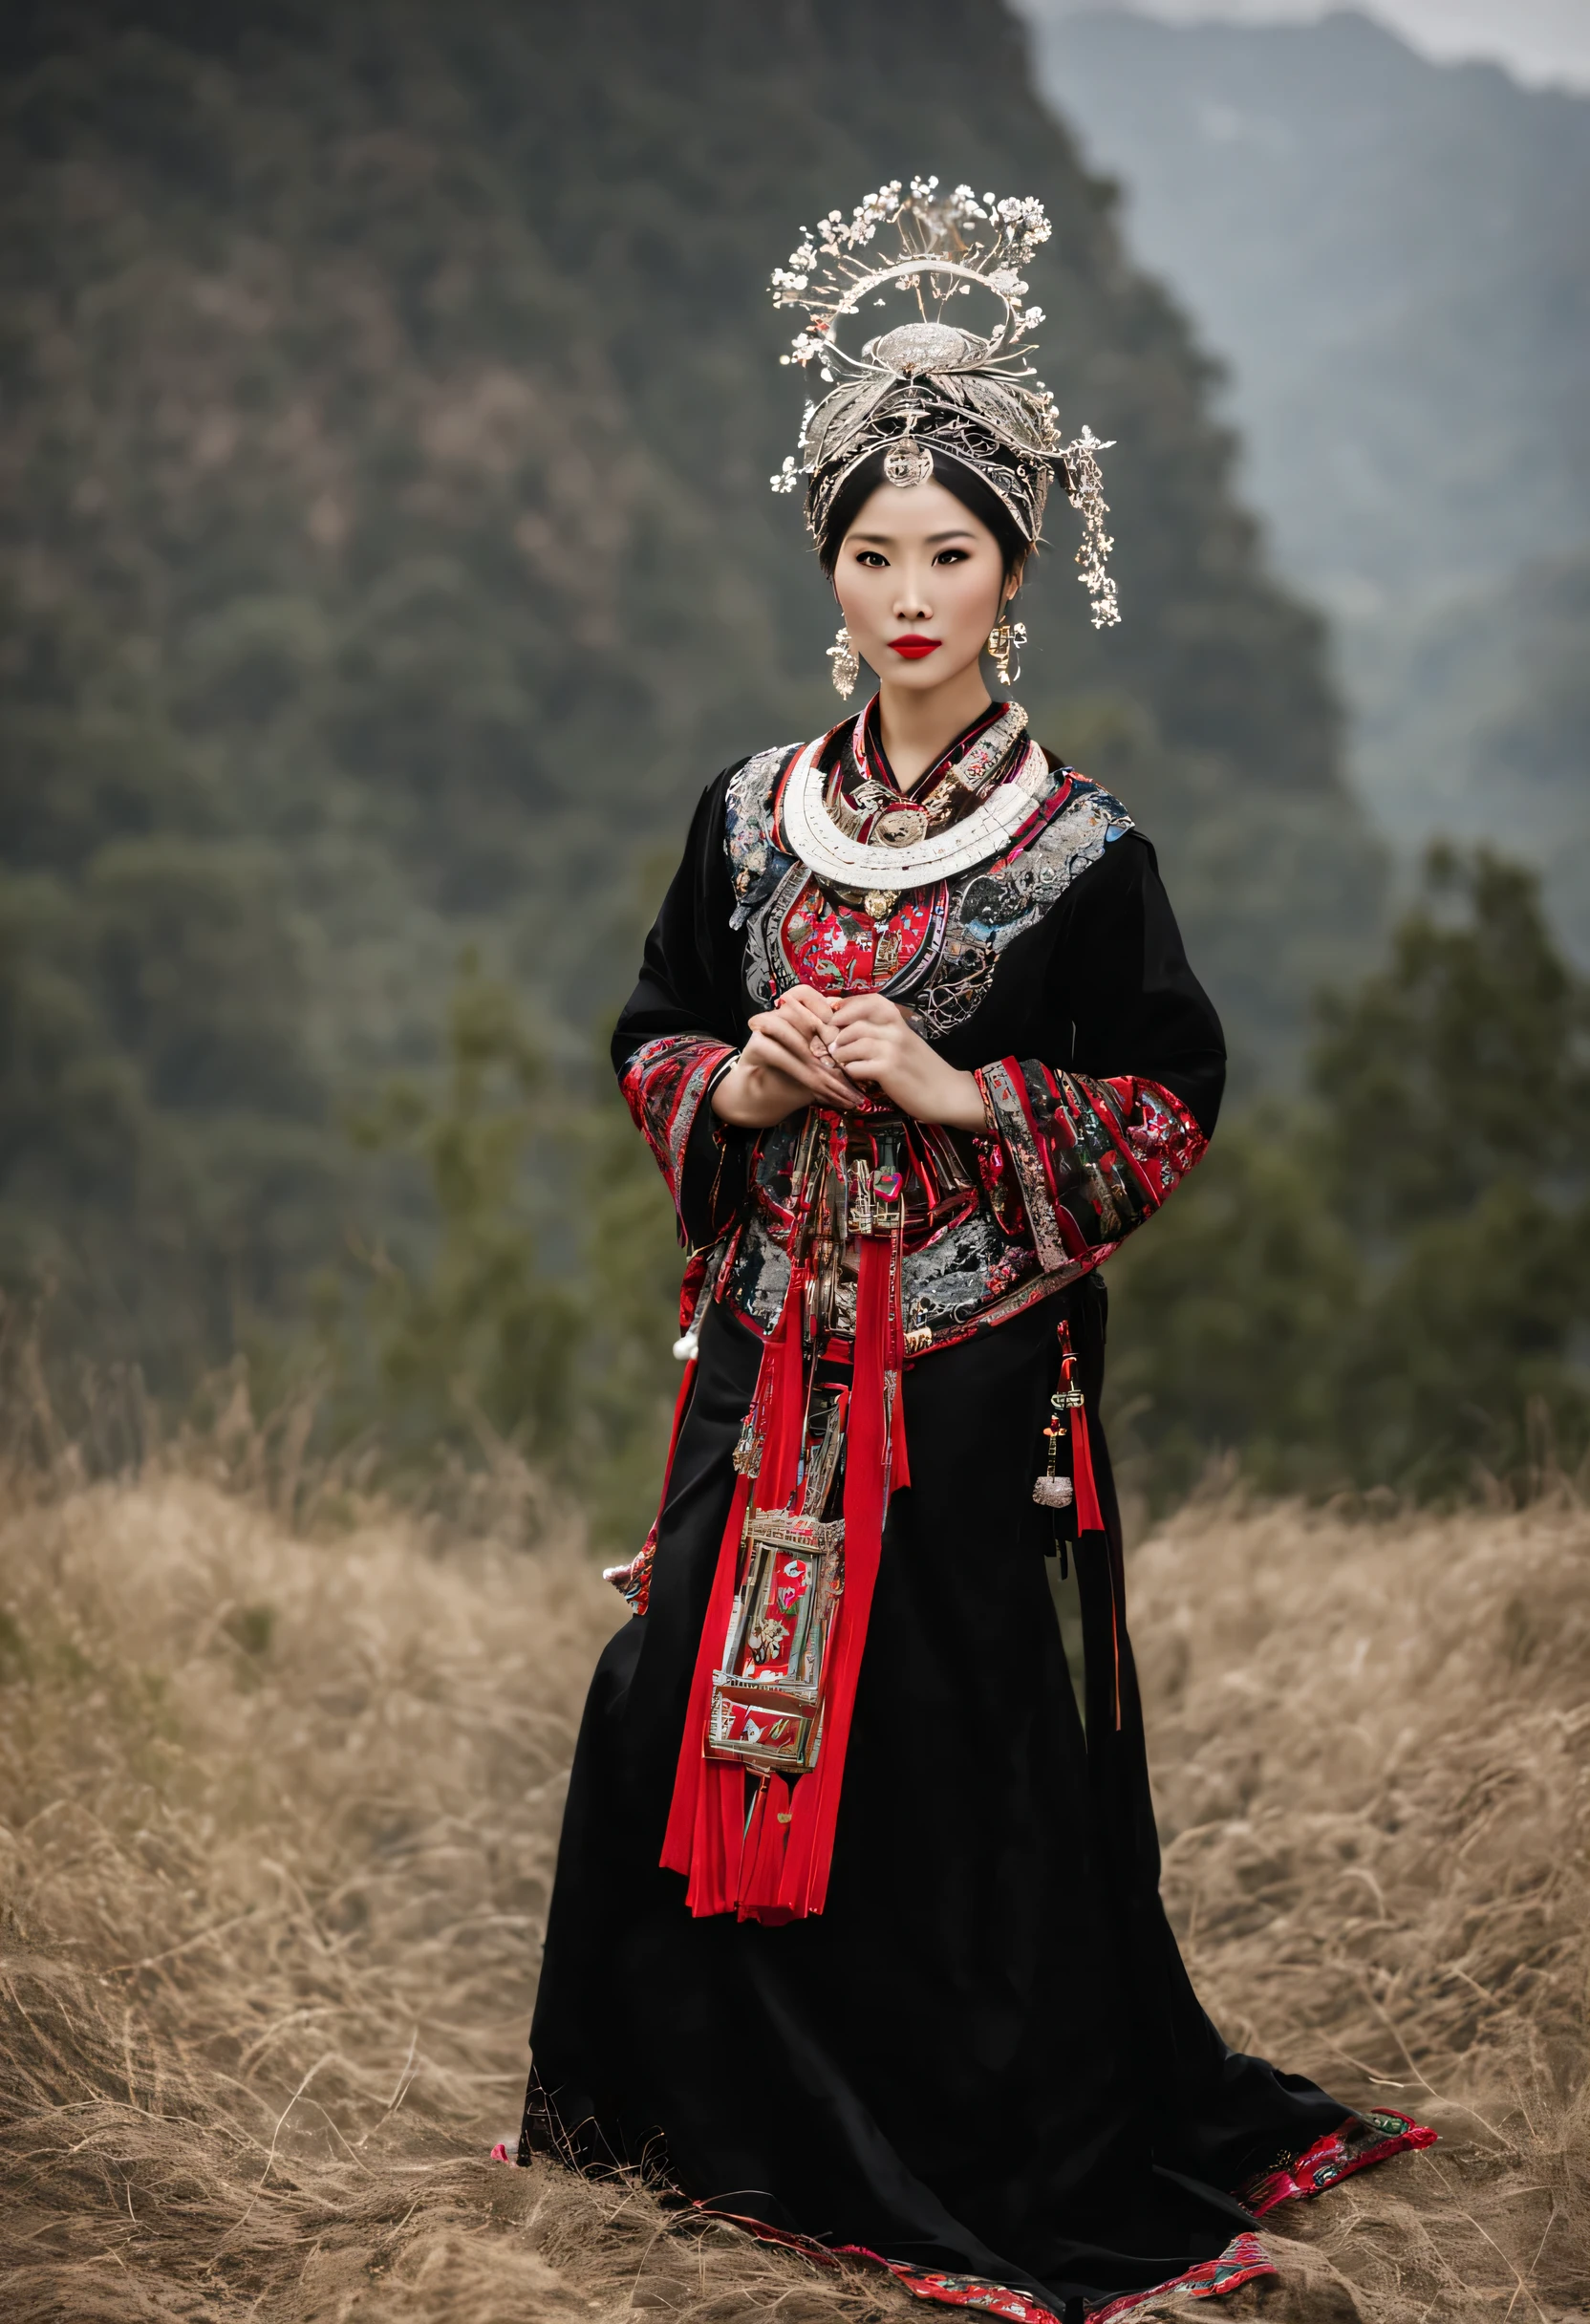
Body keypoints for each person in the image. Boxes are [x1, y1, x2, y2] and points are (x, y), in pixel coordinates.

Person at [513, 181, 1431, 2324]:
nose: (906, 593)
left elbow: (1170, 1096)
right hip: (756, 1362)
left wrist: (955, 1100)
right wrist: (737, 1088)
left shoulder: (1085, 855)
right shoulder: (749, 817)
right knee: (674, 1694)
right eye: (868, 550)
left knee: (934, 1741)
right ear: (822, 565)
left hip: (961, 1384)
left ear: (1017, 571)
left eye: (948, 552)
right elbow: (650, 1026)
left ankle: (962, 2144)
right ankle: (698, 2123)